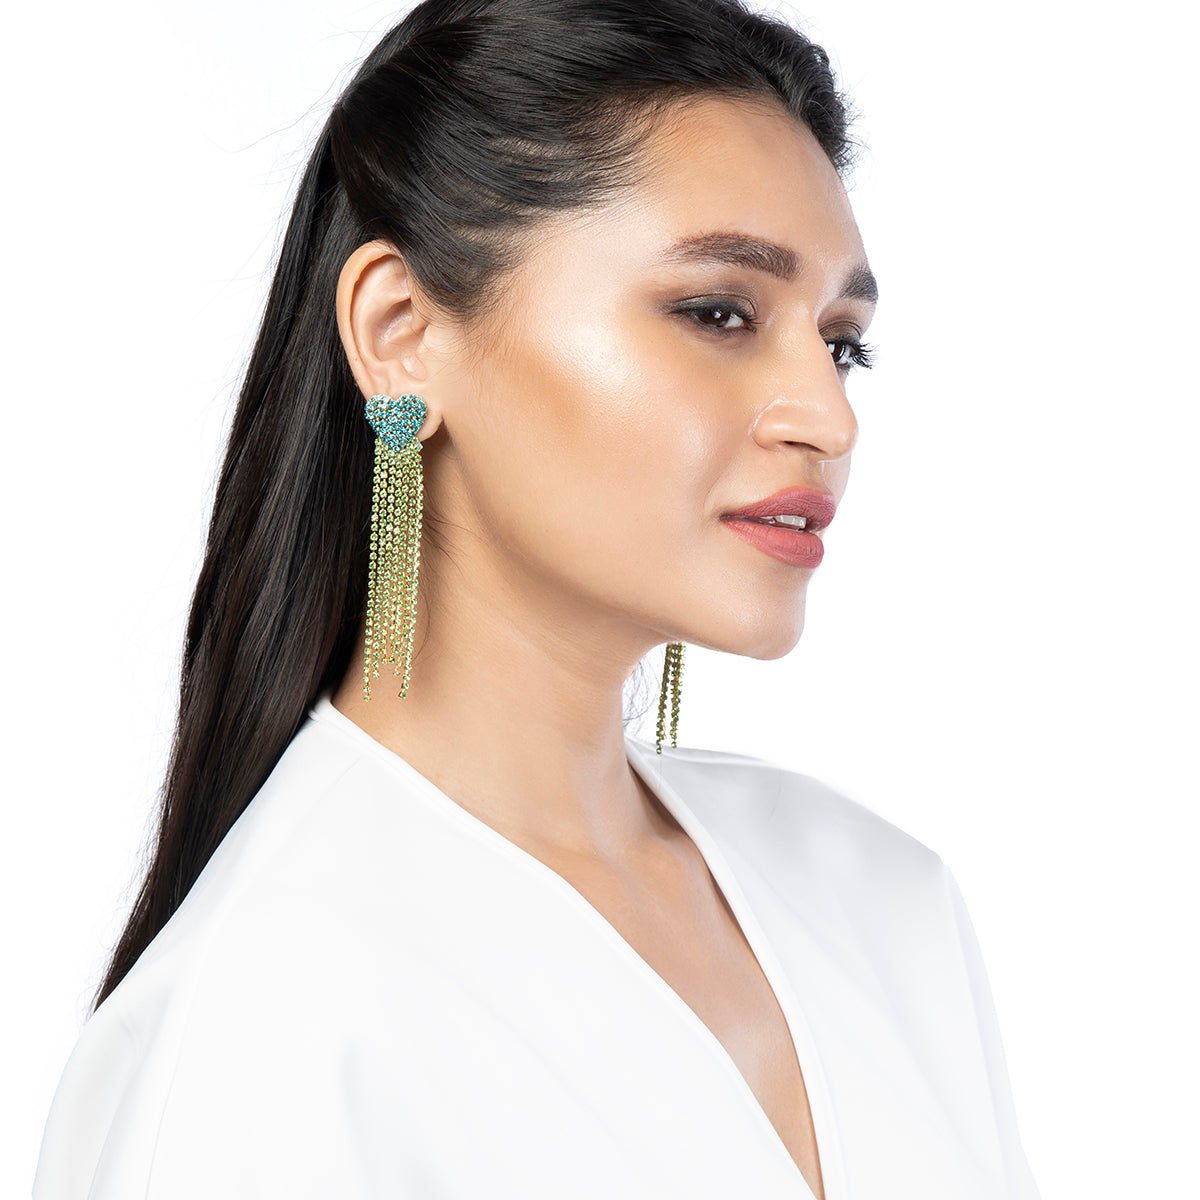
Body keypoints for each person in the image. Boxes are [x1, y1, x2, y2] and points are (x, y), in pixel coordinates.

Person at [32, 1, 1041, 1197]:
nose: (829, 417)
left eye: (841, 342)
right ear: (401, 333)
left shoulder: (883, 901)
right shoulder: (263, 1025)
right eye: (718, 312)